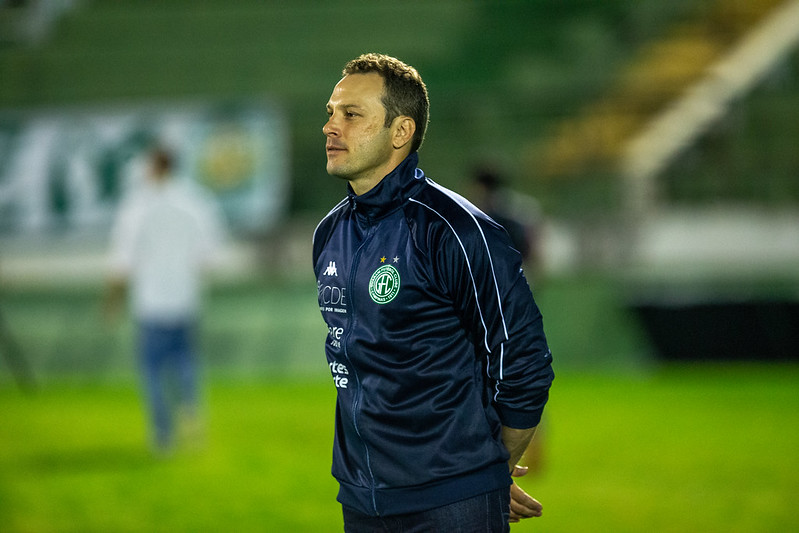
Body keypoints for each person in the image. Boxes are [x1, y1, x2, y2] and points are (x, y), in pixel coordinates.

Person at [312, 53, 554, 532]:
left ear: (400, 132)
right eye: (331, 112)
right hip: (362, 500)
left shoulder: (457, 231)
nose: (330, 126)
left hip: (451, 500)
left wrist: (489, 471)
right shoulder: (329, 234)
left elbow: (523, 361)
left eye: (352, 114)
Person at [105, 145, 226, 454]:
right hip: (186, 298)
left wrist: (113, 300)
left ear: (152, 167)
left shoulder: (138, 206)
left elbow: (123, 259)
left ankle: (163, 435)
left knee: (153, 368)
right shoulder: (196, 201)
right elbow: (209, 254)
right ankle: (190, 411)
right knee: (186, 361)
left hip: (151, 301)